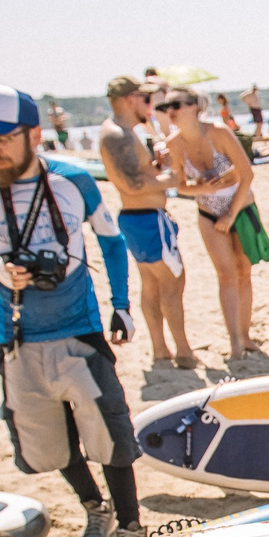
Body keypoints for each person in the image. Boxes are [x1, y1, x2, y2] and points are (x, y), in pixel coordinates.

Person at [0, 84, 144, 537]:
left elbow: (111, 241)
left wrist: (120, 305)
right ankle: (95, 509)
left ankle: (131, 525)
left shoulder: (72, 180)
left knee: (110, 431)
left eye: (1, 137)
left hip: (80, 328)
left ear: (33, 134)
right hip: (18, 336)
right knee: (48, 442)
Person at [159, 89, 266, 361]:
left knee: (244, 273)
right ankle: (235, 344)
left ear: (195, 107)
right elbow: (181, 186)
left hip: (240, 209)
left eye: (176, 104)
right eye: (166, 105)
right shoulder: (174, 142)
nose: (170, 109)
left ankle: (245, 335)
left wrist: (230, 213)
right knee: (226, 275)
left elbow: (247, 173)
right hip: (208, 212)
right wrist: (200, 188)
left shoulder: (218, 132)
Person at [99, 77, 196, 369]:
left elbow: (135, 176)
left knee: (152, 284)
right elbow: (132, 185)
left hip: (137, 218)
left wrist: (154, 166)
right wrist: (172, 178)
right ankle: (183, 351)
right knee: (172, 283)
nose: (152, 107)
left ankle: (161, 350)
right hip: (147, 218)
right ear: (131, 100)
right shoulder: (119, 135)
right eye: (147, 100)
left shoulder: (121, 132)